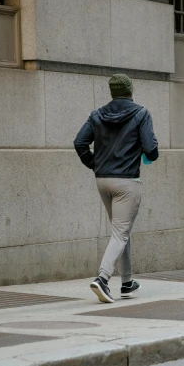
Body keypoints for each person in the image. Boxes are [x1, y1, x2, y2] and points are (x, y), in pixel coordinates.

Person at [74, 74, 159, 303]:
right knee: (121, 232)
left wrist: (95, 164)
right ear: (130, 91)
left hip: (103, 180)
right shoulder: (141, 114)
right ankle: (102, 279)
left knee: (121, 230)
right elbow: (152, 151)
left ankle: (127, 282)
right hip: (127, 182)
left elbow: (79, 142)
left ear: (113, 92)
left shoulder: (97, 115)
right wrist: (144, 150)